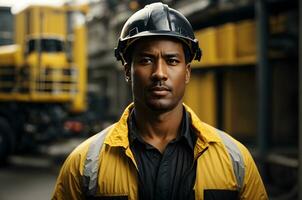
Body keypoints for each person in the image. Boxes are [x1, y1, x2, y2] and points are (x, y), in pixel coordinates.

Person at [52, 2, 268, 200]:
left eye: (172, 61)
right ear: (128, 71)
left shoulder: (235, 161)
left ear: (187, 72)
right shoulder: (84, 164)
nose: (159, 73)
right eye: (146, 60)